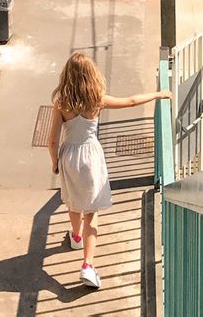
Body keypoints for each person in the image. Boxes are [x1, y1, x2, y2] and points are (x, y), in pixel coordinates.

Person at [47, 53, 171, 290]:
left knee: (74, 202)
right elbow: (132, 101)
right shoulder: (97, 100)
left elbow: (52, 140)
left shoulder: (61, 104)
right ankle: (87, 265)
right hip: (91, 156)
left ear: (67, 77)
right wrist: (158, 94)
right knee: (91, 213)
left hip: (70, 156)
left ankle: (75, 237)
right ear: (91, 75)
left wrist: (54, 162)